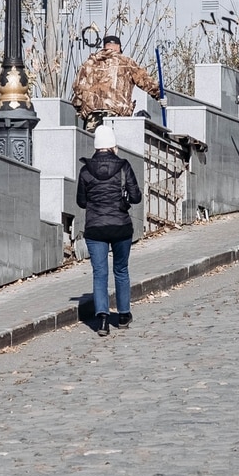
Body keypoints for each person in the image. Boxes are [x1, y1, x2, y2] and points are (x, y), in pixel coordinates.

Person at [76, 124, 143, 336]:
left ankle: (102, 319)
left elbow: (81, 202)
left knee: (100, 273)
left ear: (96, 147)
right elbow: (136, 197)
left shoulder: (86, 170)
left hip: (95, 229)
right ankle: (123, 315)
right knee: (121, 270)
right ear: (113, 146)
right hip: (121, 227)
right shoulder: (123, 167)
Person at [70, 34, 162, 125]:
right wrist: (160, 95)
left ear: (104, 47)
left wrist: (82, 110)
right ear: (119, 47)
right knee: (115, 139)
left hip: (92, 116)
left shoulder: (88, 64)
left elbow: (78, 90)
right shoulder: (126, 63)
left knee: (95, 139)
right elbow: (146, 82)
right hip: (118, 116)